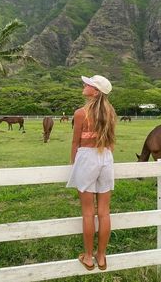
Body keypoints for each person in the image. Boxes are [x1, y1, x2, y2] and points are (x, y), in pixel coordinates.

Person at [67, 74, 116, 271]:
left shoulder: (81, 113)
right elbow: (111, 142)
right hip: (106, 157)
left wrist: (73, 164)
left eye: (88, 84)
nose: (84, 85)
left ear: (95, 92)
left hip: (87, 158)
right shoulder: (111, 112)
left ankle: (88, 257)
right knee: (104, 212)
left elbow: (75, 142)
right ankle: (102, 257)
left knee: (88, 213)